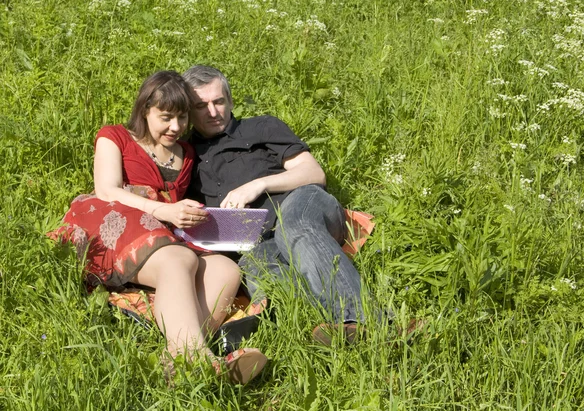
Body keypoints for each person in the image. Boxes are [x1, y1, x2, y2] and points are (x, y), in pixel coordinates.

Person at [51, 71, 267, 383]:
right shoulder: (115, 136)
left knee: (226, 270)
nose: (176, 127)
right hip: (115, 220)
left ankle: (177, 359)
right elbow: (107, 190)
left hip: (164, 232)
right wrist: (165, 209)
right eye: (166, 117)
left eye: (182, 117)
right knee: (180, 260)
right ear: (144, 111)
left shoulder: (187, 153)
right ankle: (199, 360)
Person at [182, 65, 368, 345]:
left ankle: (364, 320)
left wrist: (258, 185)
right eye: (201, 105)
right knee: (261, 270)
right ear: (188, 111)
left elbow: (314, 173)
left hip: (302, 204)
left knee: (293, 227)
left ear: (230, 101)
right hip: (254, 241)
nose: (213, 111)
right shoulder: (185, 155)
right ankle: (316, 333)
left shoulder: (260, 126)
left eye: (218, 102)